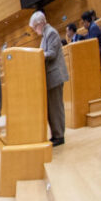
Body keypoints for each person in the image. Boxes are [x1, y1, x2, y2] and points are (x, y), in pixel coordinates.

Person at [29, 11, 68, 146]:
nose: (34, 31)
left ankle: (59, 135)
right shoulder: (45, 35)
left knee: (56, 107)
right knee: (51, 108)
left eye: (34, 27)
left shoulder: (51, 33)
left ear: (41, 23)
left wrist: (38, 55)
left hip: (55, 76)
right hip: (49, 78)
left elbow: (51, 54)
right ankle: (56, 134)